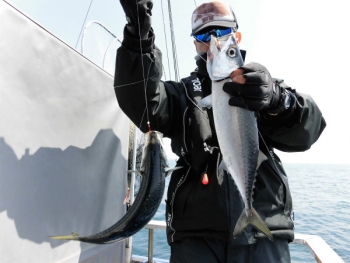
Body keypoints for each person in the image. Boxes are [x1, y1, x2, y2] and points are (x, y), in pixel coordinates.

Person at [115, 1, 326, 262]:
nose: (214, 40)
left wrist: (278, 99)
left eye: (222, 31)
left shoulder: (261, 88)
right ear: (195, 43)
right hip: (196, 236)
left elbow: (309, 131)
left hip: (265, 233)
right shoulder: (182, 95)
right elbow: (141, 101)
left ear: (236, 37)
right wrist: (139, 35)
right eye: (204, 35)